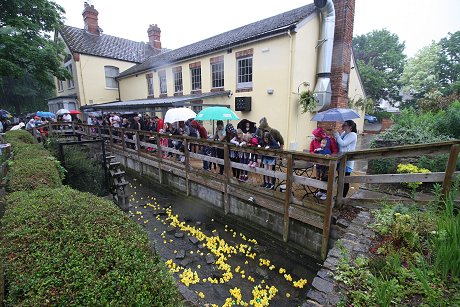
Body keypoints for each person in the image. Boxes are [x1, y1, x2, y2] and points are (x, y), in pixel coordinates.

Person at [309, 127, 338, 200]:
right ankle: (320, 190)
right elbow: (311, 150)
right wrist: (315, 153)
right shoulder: (314, 141)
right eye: (315, 136)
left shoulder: (330, 140)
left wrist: (330, 155)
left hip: (328, 163)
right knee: (319, 177)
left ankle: (326, 192)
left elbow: (335, 151)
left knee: (326, 177)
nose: (316, 137)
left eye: (317, 136)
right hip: (318, 163)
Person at [334, 119, 358, 197]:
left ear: (350, 127)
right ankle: (339, 195)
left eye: (344, 125)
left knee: (345, 179)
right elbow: (339, 143)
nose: (342, 126)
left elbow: (343, 144)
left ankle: (343, 197)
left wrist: (337, 136)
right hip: (340, 159)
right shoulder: (344, 133)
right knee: (340, 179)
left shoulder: (353, 134)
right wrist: (336, 136)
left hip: (347, 162)